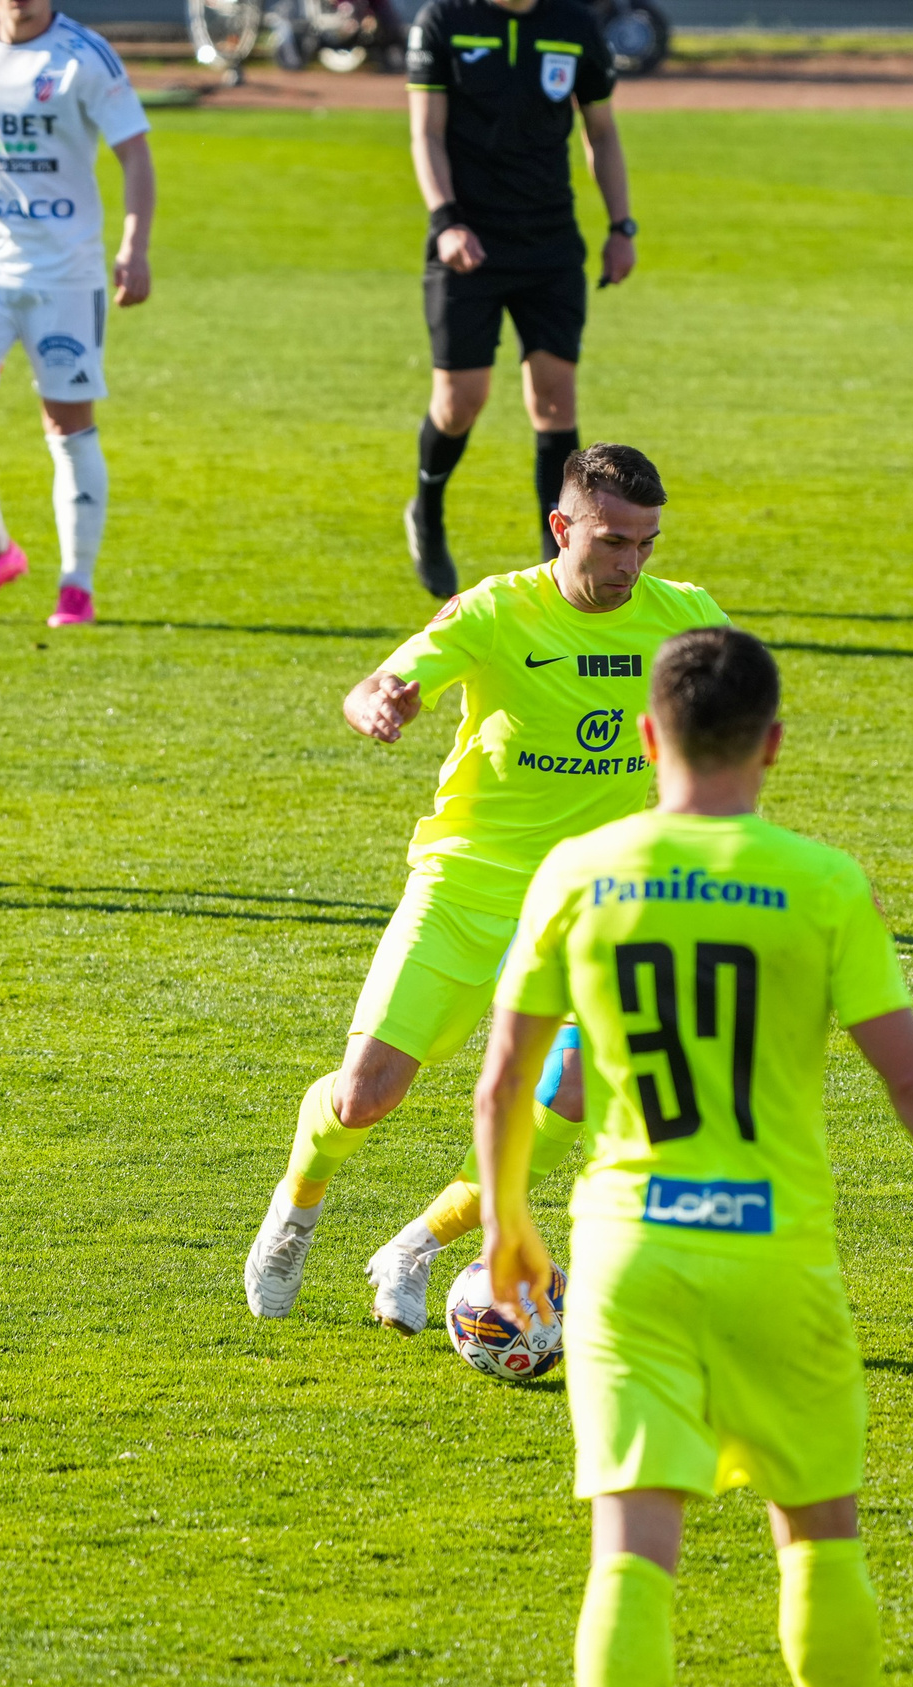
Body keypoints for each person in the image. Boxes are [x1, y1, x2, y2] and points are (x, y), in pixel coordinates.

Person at [477, 627, 913, 1687]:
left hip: (631, 1254)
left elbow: (504, 1084)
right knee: (817, 1540)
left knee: (629, 1553)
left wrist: (503, 1224)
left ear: (642, 734)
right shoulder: (820, 884)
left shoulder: (578, 873)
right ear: (771, 746)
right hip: (776, 1257)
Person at [242, 445, 726, 1335]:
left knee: (568, 1096)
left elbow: (727, 732)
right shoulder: (499, 610)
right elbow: (384, 681)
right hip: (468, 882)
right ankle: (298, 1206)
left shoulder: (685, 616)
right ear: (562, 526)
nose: (631, 564)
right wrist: (379, 703)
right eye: (613, 540)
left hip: (594, 903)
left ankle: (416, 1246)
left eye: (647, 544)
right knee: (366, 1094)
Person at [0, 0, 155, 630]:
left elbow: (135, 153)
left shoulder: (85, 57)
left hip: (64, 275)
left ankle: (77, 586)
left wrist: (134, 246)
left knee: (68, 424)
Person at [401, 0, 632, 597]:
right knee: (460, 402)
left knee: (555, 402)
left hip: (550, 245)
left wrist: (620, 225)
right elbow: (425, 132)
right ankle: (426, 508)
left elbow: (601, 133)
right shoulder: (443, 21)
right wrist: (447, 220)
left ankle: (550, 571)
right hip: (466, 243)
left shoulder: (574, 26)